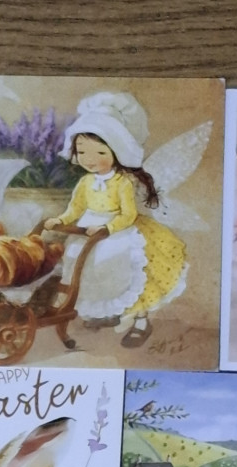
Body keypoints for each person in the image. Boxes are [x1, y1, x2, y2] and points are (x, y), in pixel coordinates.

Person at [44, 92, 187, 347]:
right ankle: (103, 312)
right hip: (87, 230)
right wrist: (61, 219)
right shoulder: (85, 182)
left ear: (116, 150)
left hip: (117, 231)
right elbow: (75, 208)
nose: (90, 160)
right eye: (82, 152)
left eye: (100, 152)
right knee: (78, 261)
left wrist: (108, 228)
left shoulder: (122, 182)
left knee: (122, 263)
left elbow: (128, 214)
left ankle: (140, 320)